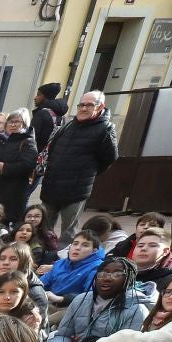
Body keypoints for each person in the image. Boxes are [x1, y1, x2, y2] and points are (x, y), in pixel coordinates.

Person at [40, 92, 119, 239]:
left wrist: (85, 173)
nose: (83, 109)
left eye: (89, 105)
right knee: (44, 228)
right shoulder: (70, 124)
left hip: (76, 188)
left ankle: (66, 253)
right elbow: (53, 149)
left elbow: (109, 158)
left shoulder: (105, 128)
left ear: (100, 107)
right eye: (81, 105)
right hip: (52, 184)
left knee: (68, 232)